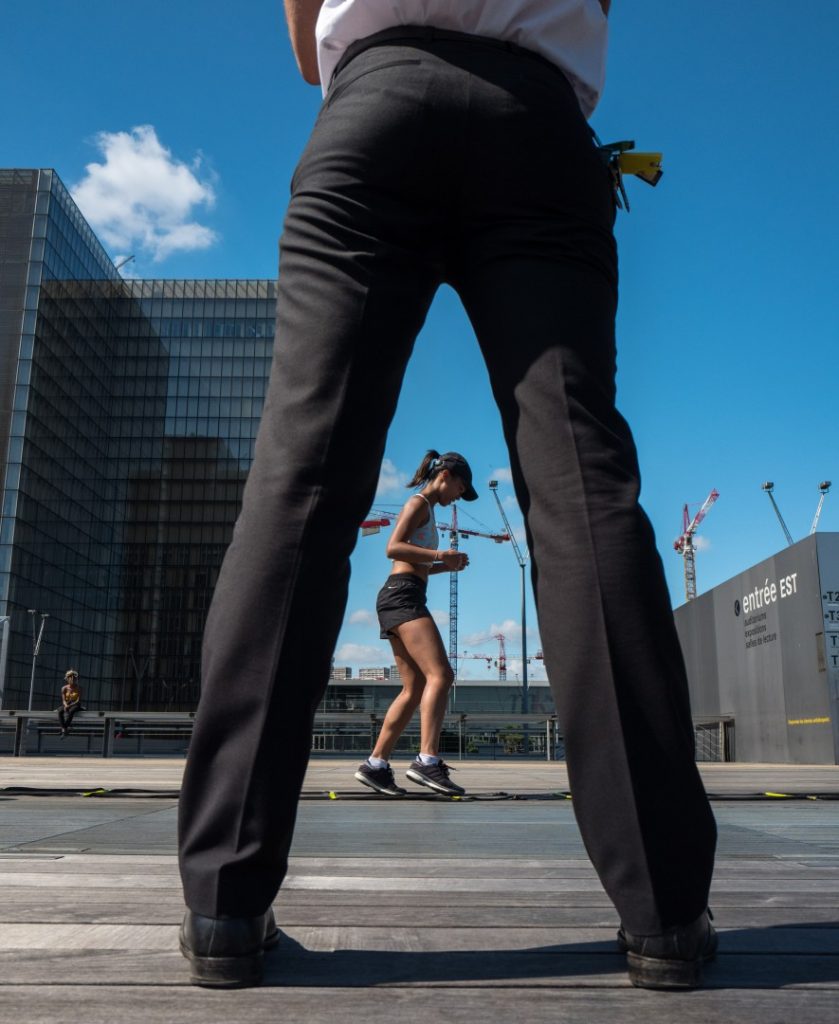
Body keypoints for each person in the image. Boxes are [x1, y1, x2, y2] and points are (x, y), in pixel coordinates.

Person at [178, 0, 718, 992]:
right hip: (536, 120)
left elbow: (306, 43)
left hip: (371, 102)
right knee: (578, 484)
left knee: (301, 478)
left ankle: (223, 903)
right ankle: (665, 912)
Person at [354, 450, 474, 798]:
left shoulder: (429, 510)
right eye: (460, 489)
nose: (458, 499)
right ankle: (427, 760)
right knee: (442, 675)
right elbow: (393, 548)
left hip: (401, 593)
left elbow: (411, 562)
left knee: (415, 687)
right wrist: (440, 555)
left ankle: (375, 766)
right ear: (446, 476)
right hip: (403, 596)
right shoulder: (419, 502)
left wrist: (443, 566)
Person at [57, 669, 82, 737]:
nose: (72, 679)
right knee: (59, 711)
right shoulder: (64, 688)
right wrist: (65, 705)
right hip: (67, 703)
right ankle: (64, 729)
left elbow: (78, 700)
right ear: (67, 679)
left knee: (71, 711)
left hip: (75, 704)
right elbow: (63, 699)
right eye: (70, 677)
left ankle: (64, 729)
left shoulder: (79, 688)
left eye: (74, 678)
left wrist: (69, 706)